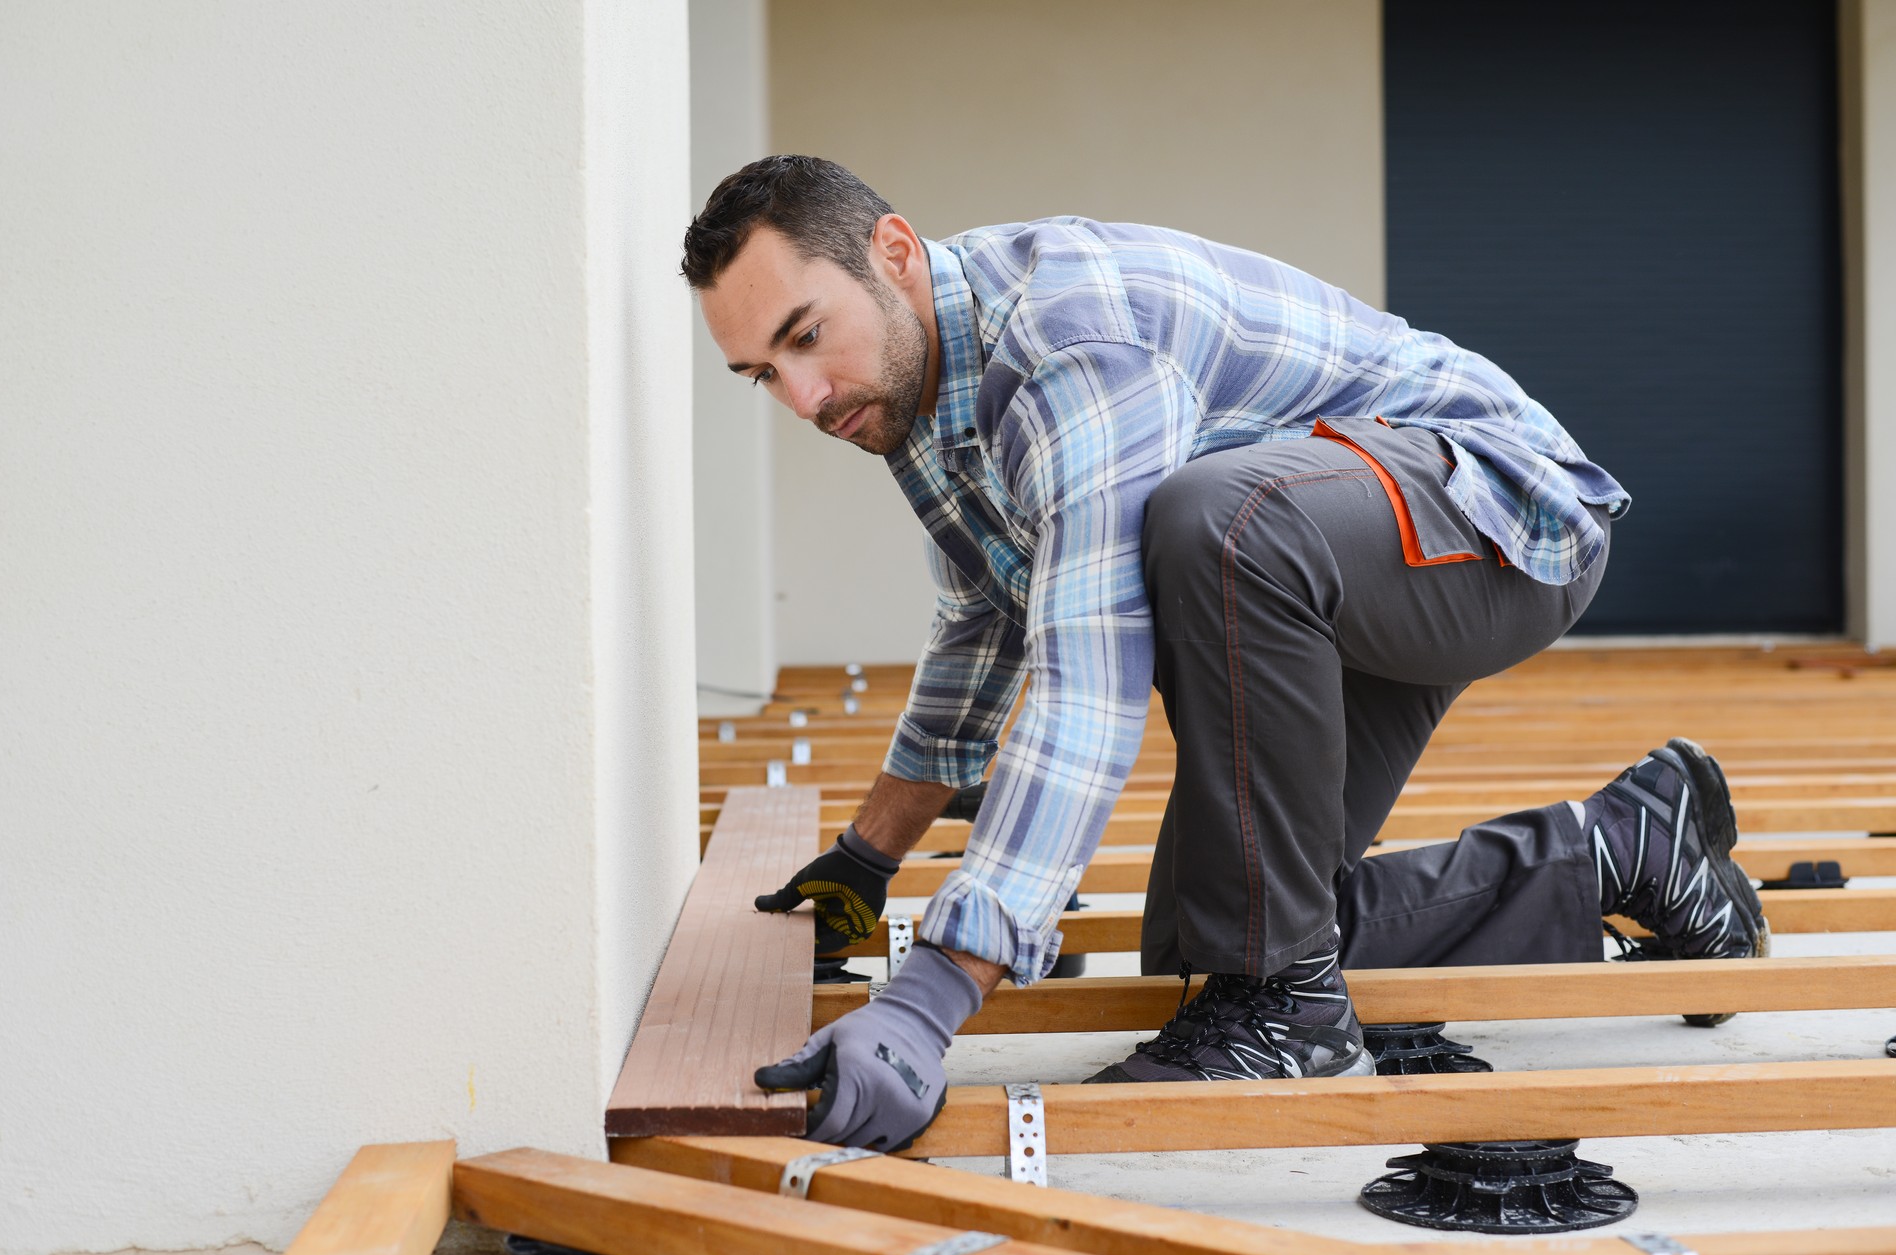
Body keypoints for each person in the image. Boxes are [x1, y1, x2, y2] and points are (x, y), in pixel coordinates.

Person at [682, 155, 1768, 1153]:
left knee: (1212, 519)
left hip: (1492, 513)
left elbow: (1086, 680)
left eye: (807, 335)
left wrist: (929, 1001)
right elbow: (982, 620)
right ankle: (1627, 847)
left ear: (896, 255)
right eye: (760, 373)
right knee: (1239, 931)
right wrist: (870, 856)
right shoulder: (908, 394)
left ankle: (1290, 1015)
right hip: (1327, 571)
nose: (805, 398)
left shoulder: (1069, 343)